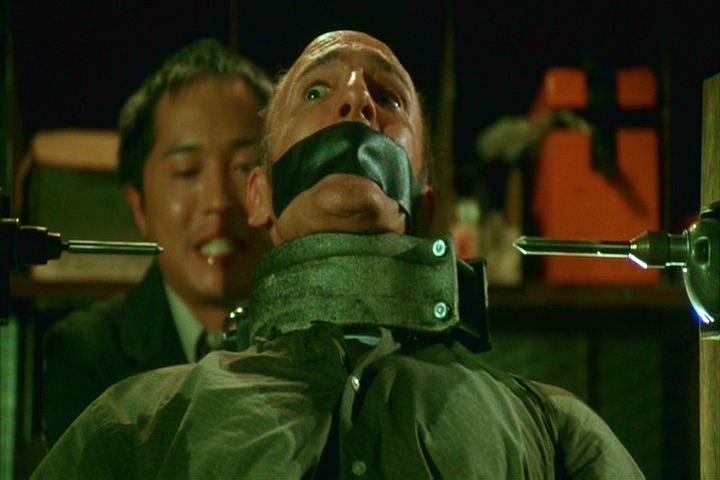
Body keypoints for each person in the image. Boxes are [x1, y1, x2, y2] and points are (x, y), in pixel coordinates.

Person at [33, 31, 644, 479]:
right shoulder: (137, 424)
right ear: (261, 195)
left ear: (423, 202)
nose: (356, 101)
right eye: (317, 90)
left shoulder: (550, 429)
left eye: (389, 96)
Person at [41, 39, 273, 448]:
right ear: (139, 206)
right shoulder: (88, 355)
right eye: (187, 171)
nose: (218, 201)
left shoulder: (317, 345)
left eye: (243, 167)